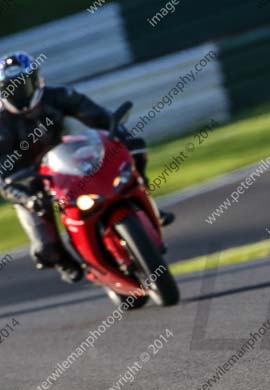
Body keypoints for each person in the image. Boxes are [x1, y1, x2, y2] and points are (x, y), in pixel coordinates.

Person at [0, 52, 173, 283]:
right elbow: (2, 176)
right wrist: (24, 195)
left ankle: (148, 205)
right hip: (27, 177)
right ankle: (65, 260)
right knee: (45, 248)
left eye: (24, 82)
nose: (20, 91)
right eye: (12, 86)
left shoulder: (59, 95)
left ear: (36, 78)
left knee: (135, 151)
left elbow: (99, 118)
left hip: (64, 159)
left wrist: (121, 136)